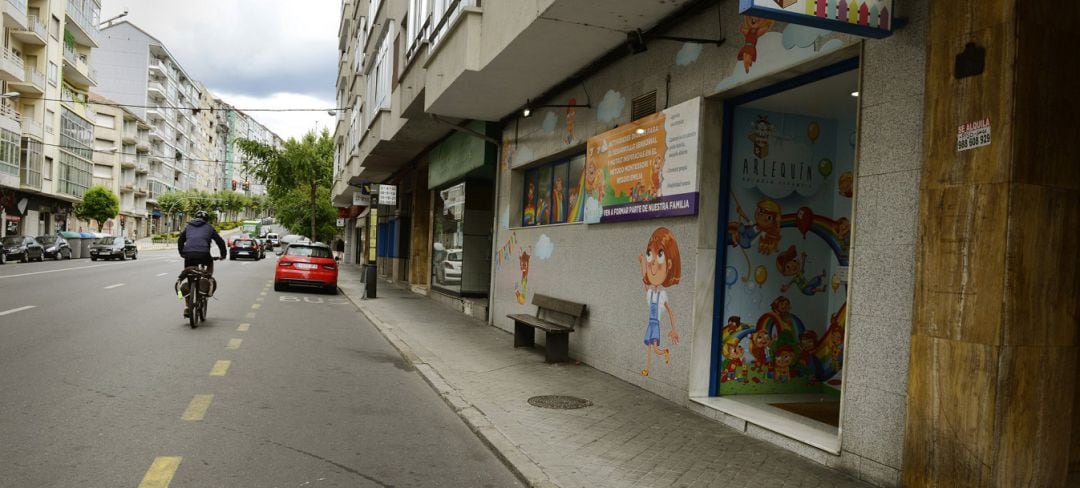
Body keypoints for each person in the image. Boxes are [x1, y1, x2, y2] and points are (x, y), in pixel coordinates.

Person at [177, 210, 226, 317]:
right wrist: (223, 255)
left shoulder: (188, 227)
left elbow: (180, 240)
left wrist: (182, 253)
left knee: (189, 275)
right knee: (210, 262)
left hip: (188, 254)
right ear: (206, 219)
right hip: (204, 254)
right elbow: (220, 241)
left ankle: (187, 306)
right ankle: (207, 279)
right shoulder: (209, 227)